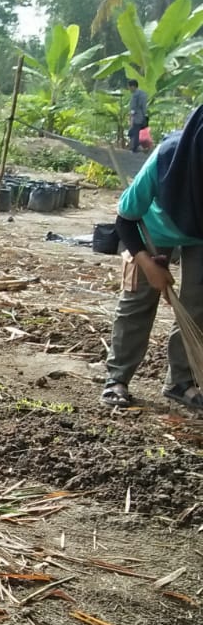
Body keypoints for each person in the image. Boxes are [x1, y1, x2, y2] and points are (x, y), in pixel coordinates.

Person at [101, 105, 203, 411]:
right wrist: (146, 262)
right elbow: (125, 218)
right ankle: (117, 379)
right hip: (152, 229)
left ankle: (180, 382)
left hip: (200, 236)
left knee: (197, 305)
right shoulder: (166, 158)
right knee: (138, 301)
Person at [129, 79, 149, 153]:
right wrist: (144, 115)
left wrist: (131, 116)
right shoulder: (143, 94)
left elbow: (133, 108)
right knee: (138, 132)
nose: (129, 89)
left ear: (133, 86)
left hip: (137, 116)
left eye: (130, 87)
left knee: (134, 132)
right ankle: (138, 147)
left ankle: (135, 148)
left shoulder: (135, 95)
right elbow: (144, 107)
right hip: (142, 116)